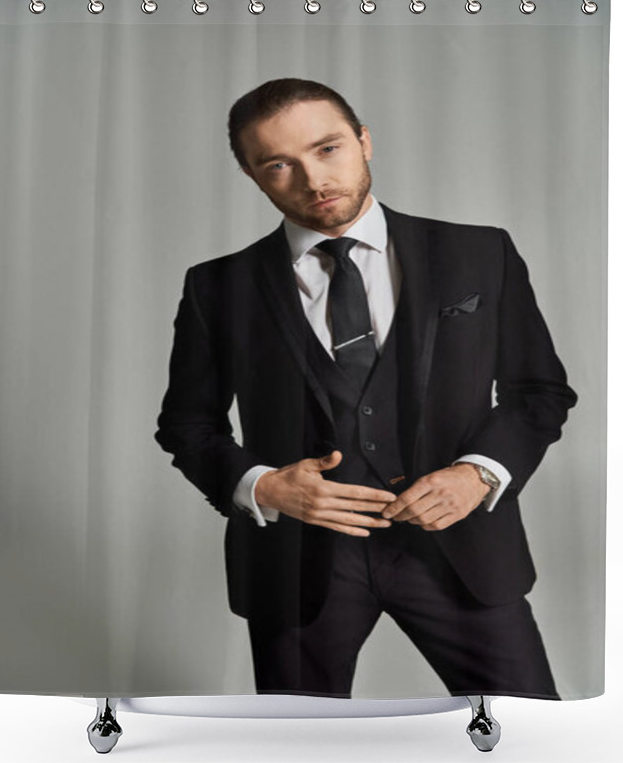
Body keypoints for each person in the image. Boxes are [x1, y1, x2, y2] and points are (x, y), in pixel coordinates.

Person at [155, 77, 578, 699]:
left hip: (461, 552)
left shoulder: (478, 253)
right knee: (299, 746)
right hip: (298, 563)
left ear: (364, 141)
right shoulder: (218, 287)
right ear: (252, 175)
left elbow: (538, 392)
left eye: (328, 150)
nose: (313, 180)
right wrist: (263, 486)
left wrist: (478, 474)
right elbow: (187, 425)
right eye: (279, 165)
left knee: (525, 733)